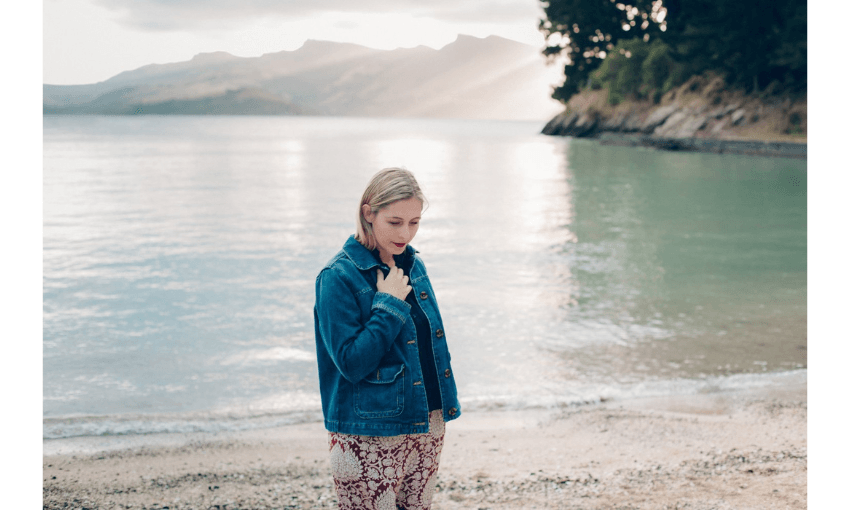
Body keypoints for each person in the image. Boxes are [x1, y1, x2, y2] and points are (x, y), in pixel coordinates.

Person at [314, 167, 461, 510]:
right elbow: (350, 363)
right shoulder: (337, 277)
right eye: (395, 222)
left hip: (428, 420)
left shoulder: (413, 265)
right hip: (370, 431)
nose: (406, 233)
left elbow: (430, 345)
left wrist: (439, 415)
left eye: (414, 222)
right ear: (368, 213)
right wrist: (390, 305)